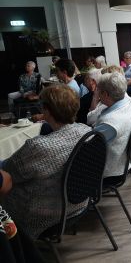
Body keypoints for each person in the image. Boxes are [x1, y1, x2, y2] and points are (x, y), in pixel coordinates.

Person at [1, 84, 91, 238]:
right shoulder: (86, 131)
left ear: (47, 111)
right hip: (78, 203)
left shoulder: (39, 146)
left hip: (40, 214)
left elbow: (7, 172)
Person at [93, 72, 131, 178]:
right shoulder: (127, 106)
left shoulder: (110, 122)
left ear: (106, 94)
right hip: (122, 163)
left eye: (98, 90)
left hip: (110, 171)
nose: (97, 93)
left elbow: (89, 147)